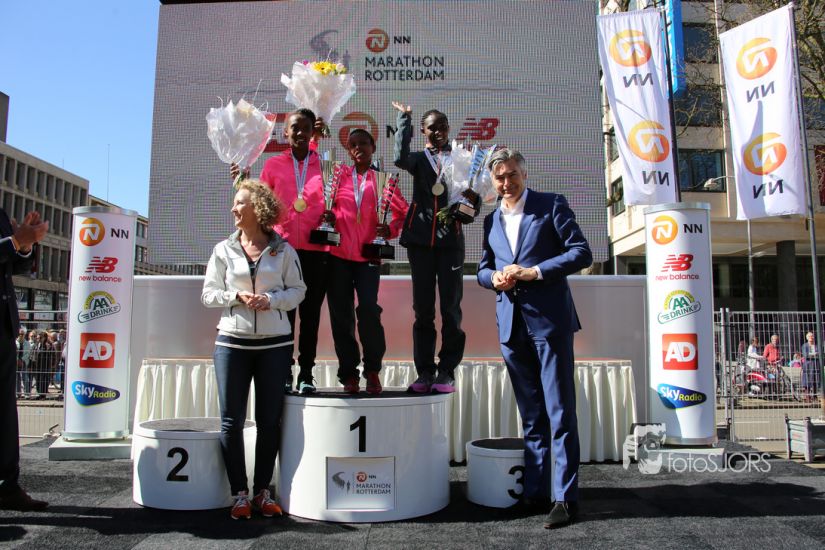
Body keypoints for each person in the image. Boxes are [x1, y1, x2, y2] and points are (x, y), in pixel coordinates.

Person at [477, 149, 592, 529]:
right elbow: (482, 268)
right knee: (531, 416)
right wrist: (493, 278)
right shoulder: (491, 219)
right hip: (510, 327)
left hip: (549, 324)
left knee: (560, 412)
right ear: (493, 181)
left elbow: (581, 253)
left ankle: (565, 498)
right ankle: (536, 492)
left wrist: (535, 272)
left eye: (512, 175)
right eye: (500, 177)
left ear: (524, 174)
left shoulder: (551, 204)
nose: (506, 183)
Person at [201, 180, 306, 520]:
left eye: (239, 203)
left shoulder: (284, 251)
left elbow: (298, 291)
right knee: (231, 422)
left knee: (269, 421)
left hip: (276, 345)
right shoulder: (223, 249)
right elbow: (208, 294)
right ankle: (240, 495)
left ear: (257, 209)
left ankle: (262, 491)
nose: (233, 208)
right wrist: (236, 297)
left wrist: (271, 300)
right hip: (232, 343)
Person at [249, 108, 328, 395]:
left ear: (313, 132)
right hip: (282, 250)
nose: (300, 133)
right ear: (285, 132)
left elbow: (336, 202)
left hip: (316, 249)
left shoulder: (325, 165)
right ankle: (284, 372)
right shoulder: (273, 165)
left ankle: (306, 373)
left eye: (306, 128)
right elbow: (260, 204)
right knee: (284, 313)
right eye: (295, 127)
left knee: (310, 315)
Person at [392, 101, 466, 393]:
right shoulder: (419, 160)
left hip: (451, 243)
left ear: (449, 128)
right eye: (432, 127)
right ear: (423, 131)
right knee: (423, 310)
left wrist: (468, 209)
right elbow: (399, 158)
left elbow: (472, 191)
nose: (438, 131)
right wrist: (404, 120)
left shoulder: (460, 157)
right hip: (420, 242)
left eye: (443, 126)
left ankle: (446, 371)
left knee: (450, 309)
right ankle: (424, 371)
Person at [327, 128, 408, 394]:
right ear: (348, 150)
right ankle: (348, 374)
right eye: (353, 144)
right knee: (341, 315)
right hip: (338, 256)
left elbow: (403, 213)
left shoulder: (383, 180)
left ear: (373, 147)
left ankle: (372, 370)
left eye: (364, 143)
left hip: (368, 257)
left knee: (369, 311)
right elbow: (325, 206)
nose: (359, 148)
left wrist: (390, 229)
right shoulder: (338, 177)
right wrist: (328, 217)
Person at [0, 208, 49, 511]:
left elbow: (14, 265)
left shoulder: (1, 214)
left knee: (5, 412)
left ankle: (7, 485)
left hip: (4, 326)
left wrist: (25, 245)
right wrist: (15, 241)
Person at [801, 331, 820, 400]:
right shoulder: (805, 345)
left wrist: (812, 354)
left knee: (815, 379)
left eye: (812, 336)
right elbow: (805, 355)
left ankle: (815, 396)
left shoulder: (817, 345)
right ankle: (807, 396)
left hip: (815, 365)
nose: (811, 337)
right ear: (807, 338)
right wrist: (814, 354)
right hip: (808, 365)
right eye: (809, 336)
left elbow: (820, 354)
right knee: (807, 380)